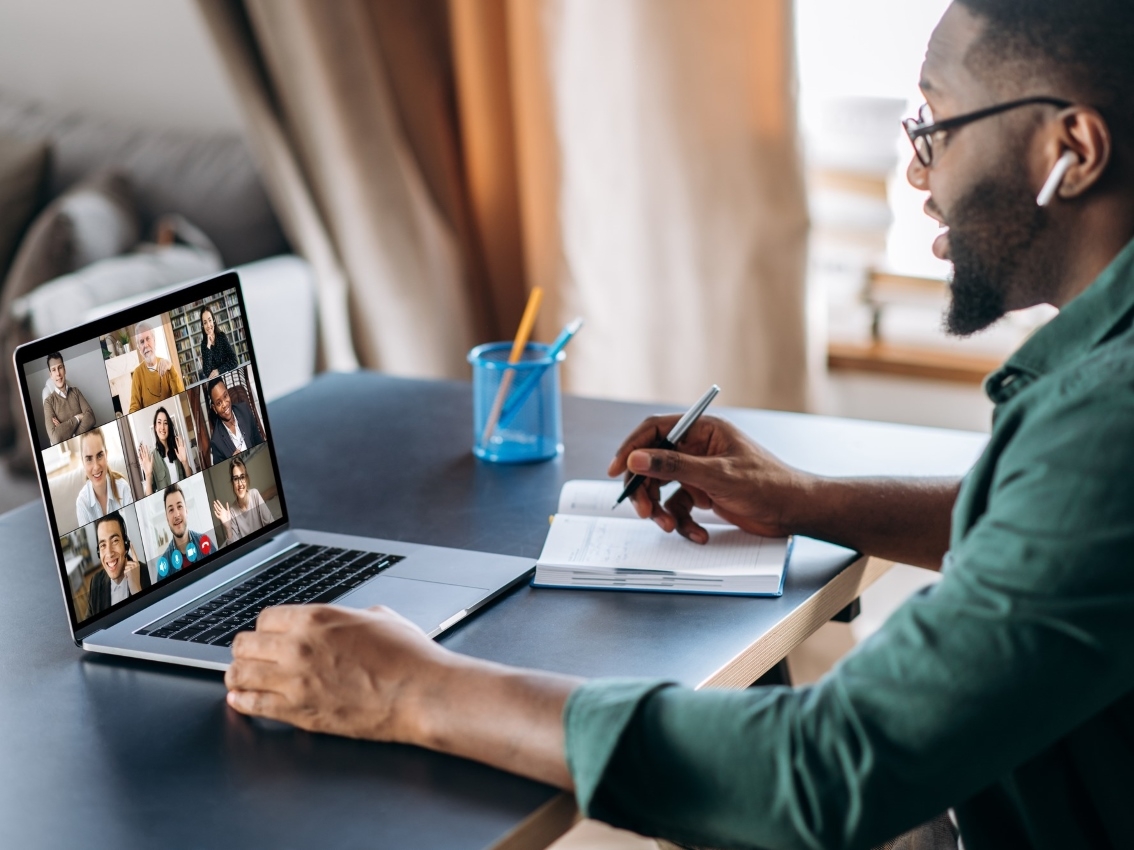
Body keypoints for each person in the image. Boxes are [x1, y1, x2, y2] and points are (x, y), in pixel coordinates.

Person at [224, 2, 1134, 848]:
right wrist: (804, 499)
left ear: (1074, 150)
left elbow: (826, 769)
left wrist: (417, 689)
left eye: (935, 124)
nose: (915, 171)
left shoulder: (1105, 424)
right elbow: (1061, 532)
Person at [85, 511, 149, 620]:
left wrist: (137, 590)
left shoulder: (147, 573)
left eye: (115, 541)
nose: (109, 553)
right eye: (103, 545)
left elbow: (154, 619)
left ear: (126, 545)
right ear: (98, 552)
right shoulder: (95, 582)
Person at [74, 427, 133, 528]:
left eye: (99, 455)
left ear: (106, 454)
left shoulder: (123, 488)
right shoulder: (82, 503)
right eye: (89, 459)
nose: (96, 466)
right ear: (83, 462)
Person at [212, 457, 273, 544]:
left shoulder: (255, 494)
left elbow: (270, 524)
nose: (240, 484)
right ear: (232, 483)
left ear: (246, 478)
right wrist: (228, 528)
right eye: (236, 479)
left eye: (242, 477)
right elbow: (235, 548)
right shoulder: (232, 512)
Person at [128, 320, 184, 414]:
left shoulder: (167, 366)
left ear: (154, 340)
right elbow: (134, 408)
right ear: (139, 348)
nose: (146, 345)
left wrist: (172, 369)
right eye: (141, 342)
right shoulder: (137, 374)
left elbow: (180, 395)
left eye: (148, 339)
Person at [42, 352, 95, 447]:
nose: (58, 373)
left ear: (64, 369)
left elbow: (91, 417)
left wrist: (68, 432)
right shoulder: (48, 402)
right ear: (50, 375)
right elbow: (55, 437)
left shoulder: (76, 391)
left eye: (60, 368)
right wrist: (78, 418)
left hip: (89, 440)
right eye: (54, 370)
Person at [206, 378, 263, 464]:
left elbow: (259, 442)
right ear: (214, 409)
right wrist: (232, 462)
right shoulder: (216, 443)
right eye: (219, 403)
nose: (224, 404)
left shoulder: (245, 410)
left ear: (228, 394)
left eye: (225, 396)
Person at [138, 406, 192, 495]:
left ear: (169, 427)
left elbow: (190, 479)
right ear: (155, 427)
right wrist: (148, 475)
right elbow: (149, 497)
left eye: (165, 423)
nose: (162, 427)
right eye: (159, 423)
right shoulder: (152, 459)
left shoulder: (177, 450)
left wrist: (185, 462)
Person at [158, 484, 210, 574]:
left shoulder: (205, 542)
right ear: (167, 518)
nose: (177, 515)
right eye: (171, 510)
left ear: (186, 510)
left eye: (179, 506)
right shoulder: (164, 564)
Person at [199, 304, 238, 380]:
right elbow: (207, 373)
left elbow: (234, 361)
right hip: (216, 383)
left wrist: (218, 371)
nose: (208, 325)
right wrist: (208, 346)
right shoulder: (204, 345)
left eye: (210, 320)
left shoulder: (222, 337)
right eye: (205, 322)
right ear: (203, 326)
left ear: (213, 320)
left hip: (228, 378)